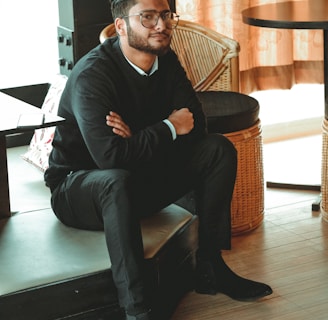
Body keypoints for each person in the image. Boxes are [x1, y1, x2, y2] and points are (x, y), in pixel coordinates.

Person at [44, 0, 272, 319]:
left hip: (138, 174)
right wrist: (167, 126)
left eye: (165, 15)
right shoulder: (93, 75)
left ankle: (210, 267)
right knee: (114, 179)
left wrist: (137, 134)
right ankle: (138, 309)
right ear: (122, 26)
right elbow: (109, 157)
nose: (161, 25)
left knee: (217, 149)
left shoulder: (165, 60)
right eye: (147, 17)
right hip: (78, 189)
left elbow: (196, 128)